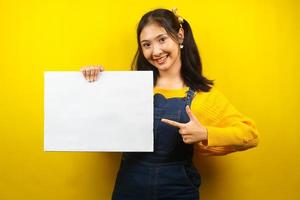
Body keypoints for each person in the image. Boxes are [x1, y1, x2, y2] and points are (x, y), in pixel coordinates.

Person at [80, 8, 259, 200]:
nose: (156, 51)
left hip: (178, 192)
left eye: (162, 39)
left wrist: (205, 133)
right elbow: (99, 124)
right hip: (129, 190)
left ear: (180, 36)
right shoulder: (130, 89)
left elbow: (250, 135)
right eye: (146, 44)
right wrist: (95, 82)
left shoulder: (203, 95)